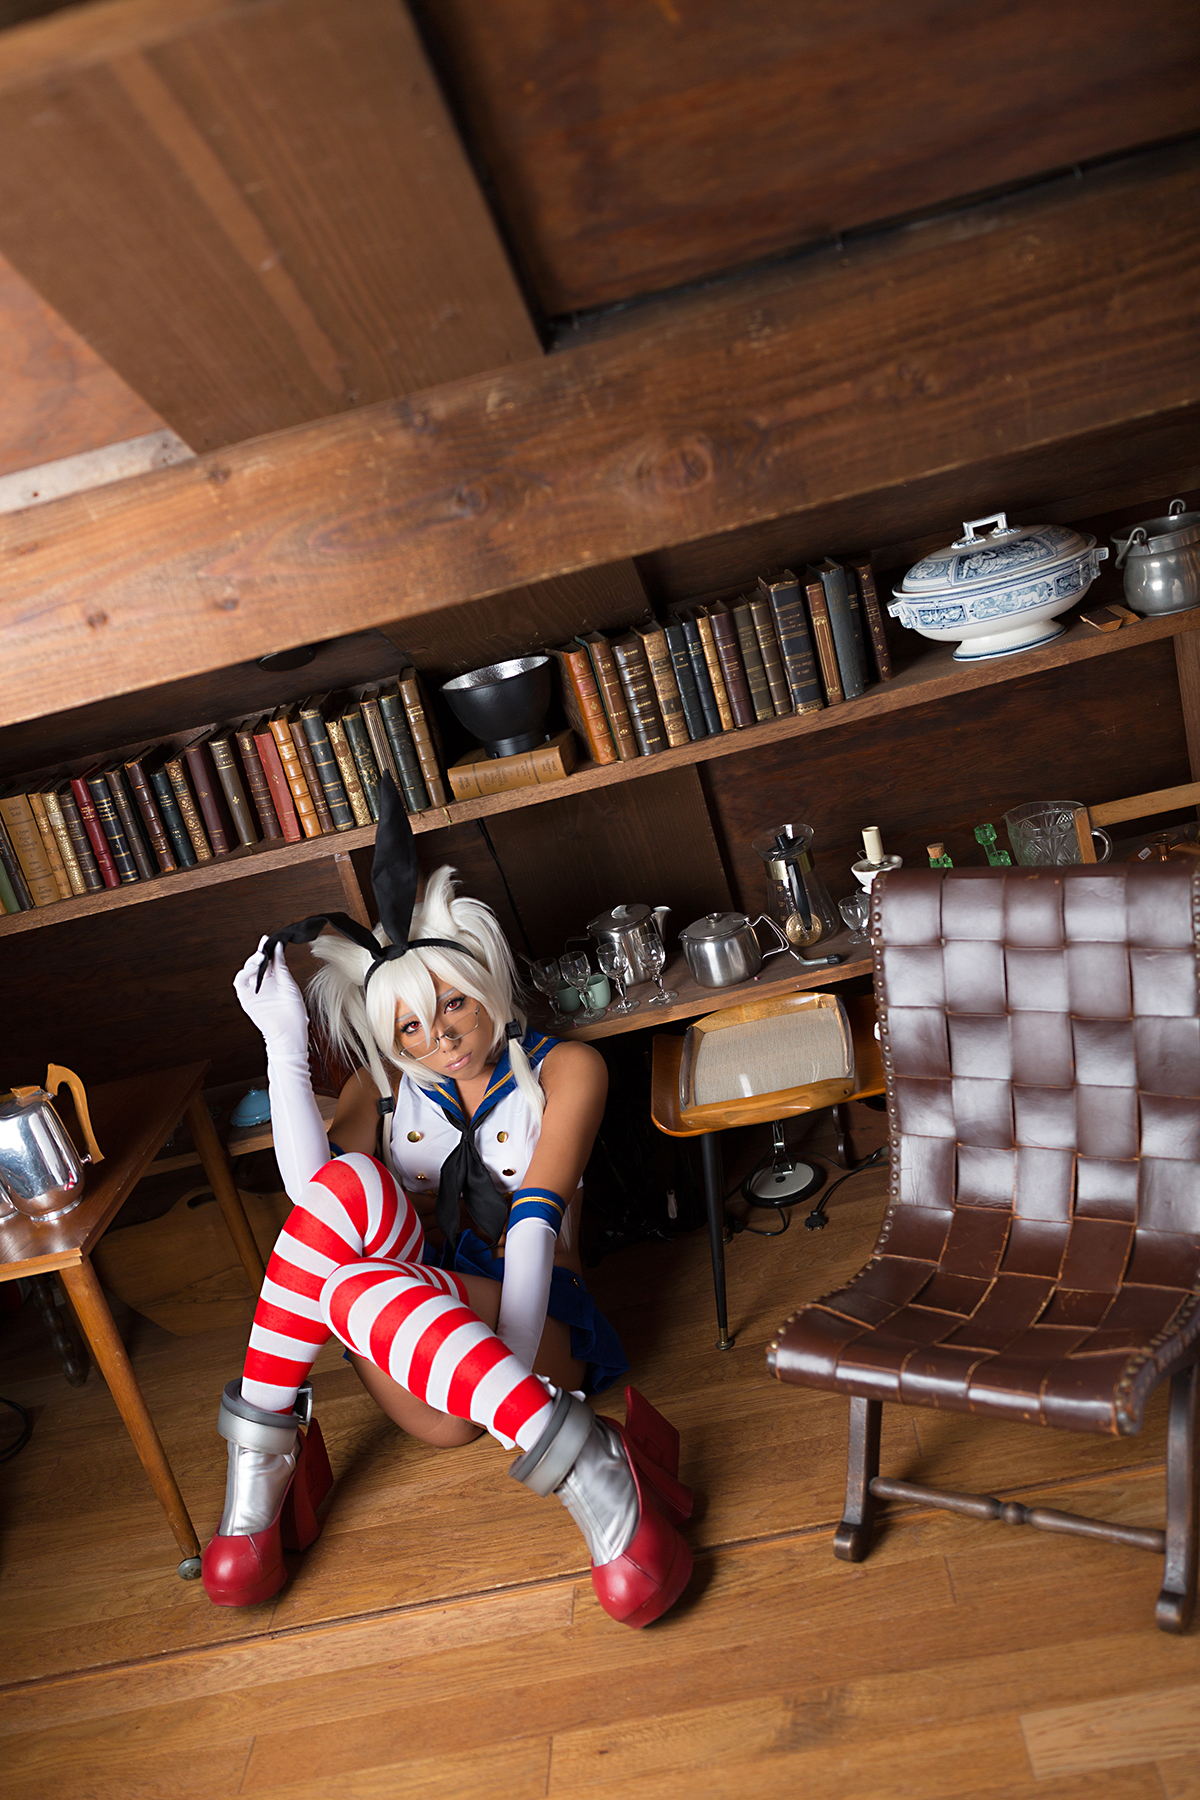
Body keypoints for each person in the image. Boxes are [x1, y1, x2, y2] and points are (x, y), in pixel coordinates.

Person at [200, 775, 693, 1629]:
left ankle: (255, 1502)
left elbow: (534, 1223)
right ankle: (586, 1465)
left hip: (532, 1324)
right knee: (345, 1195)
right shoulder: (384, 1088)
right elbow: (312, 1199)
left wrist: (506, 1377)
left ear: (482, 984)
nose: (442, 1038)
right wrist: (284, 1043)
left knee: (350, 1285)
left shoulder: (567, 1069)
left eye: (454, 1003)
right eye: (410, 1028)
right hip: (418, 1339)